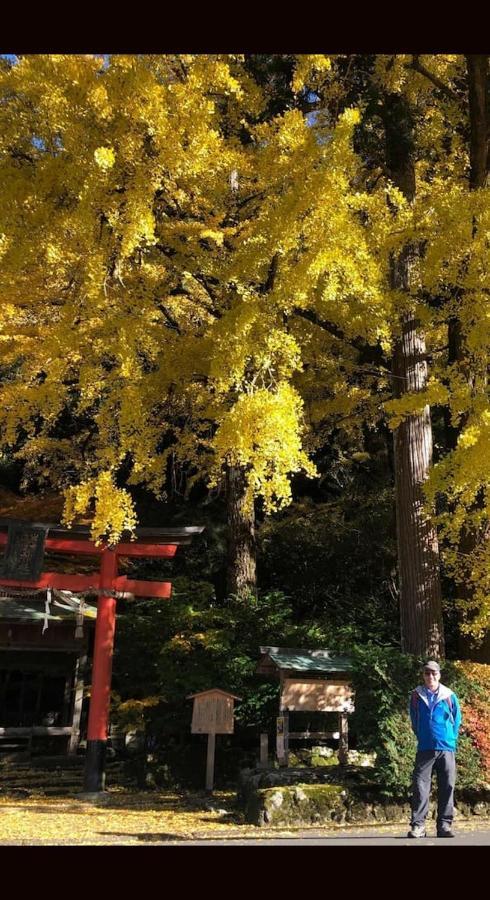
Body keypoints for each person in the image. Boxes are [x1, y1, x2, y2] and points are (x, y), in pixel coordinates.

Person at [407, 660, 462, 839]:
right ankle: (418, 826)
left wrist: (451, 738)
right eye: (427, 673)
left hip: (446, 747)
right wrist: (422, 735)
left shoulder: (449, 695)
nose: (430, 676)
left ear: (439, 675)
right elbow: (414, 720)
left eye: (434, 673)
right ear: (423, 675)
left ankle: (444, 826)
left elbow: (456, 719)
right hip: (425, 748)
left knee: (447, 786)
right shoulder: (416, 695)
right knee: (420, 787)